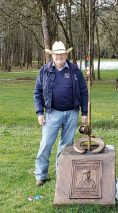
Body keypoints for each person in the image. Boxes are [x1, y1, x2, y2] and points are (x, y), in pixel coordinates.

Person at [34, 41, 88, 186]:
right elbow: (37, 93)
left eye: (62, 54)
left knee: (66, 146)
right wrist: (40, 112)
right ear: (52, 55)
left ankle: (61, 173)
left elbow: (83, 92)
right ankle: (41, 175)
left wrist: (84, 112)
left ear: (66, 54)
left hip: (72, 113)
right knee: (46, 144)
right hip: (52, 113)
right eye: (56, 54)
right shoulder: (44, 71)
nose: (59, 56)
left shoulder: (75, 70)